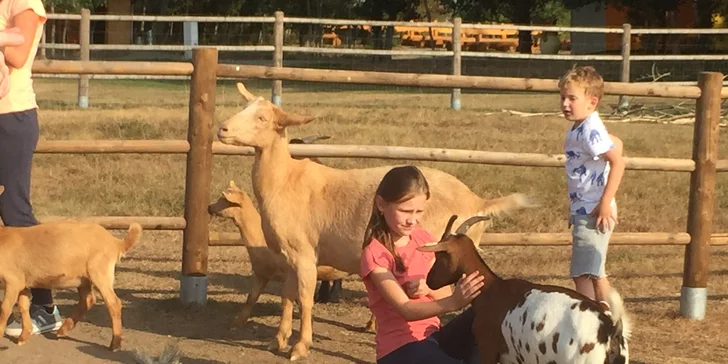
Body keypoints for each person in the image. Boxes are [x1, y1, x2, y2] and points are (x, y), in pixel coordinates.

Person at [360, 165, 484, 364]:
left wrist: (428, 288)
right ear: (381, 205)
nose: (413, 220)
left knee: (484, 319)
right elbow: (406, 309)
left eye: (419, 212)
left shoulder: (423, 239)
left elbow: (445, 293)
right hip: (399, 350)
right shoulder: (375, 253)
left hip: (432, 338)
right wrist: (454, 302)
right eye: (405, 211)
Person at [0, 0, 60, 338]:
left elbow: (18, 54)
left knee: (14, 210)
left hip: (10, 117)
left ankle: (44, 306)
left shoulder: (22, 1)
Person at [559, 66, 625, 304]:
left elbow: (617, 162)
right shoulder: (581, 127)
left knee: (585, 275)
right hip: (584, 209)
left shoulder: (589, 129)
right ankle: (606, 320)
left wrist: (605, 203)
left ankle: (593, 321)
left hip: (594, 211)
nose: (565, 104)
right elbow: (617, 144)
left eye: (572, 98)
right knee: (592, 273)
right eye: (563, 98)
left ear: (592, 102)